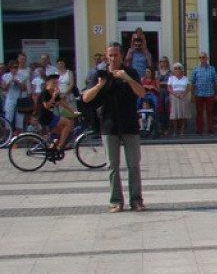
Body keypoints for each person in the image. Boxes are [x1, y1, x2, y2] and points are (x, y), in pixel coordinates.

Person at [81, 43, 147, 212]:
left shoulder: (130, 72)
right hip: (109, 125)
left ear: (122, 55)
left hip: (129, 124)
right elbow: (86, 98)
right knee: (112, 166)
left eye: (115, 55)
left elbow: (142, 93)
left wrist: (127, 78)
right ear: (106, 56)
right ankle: (116, 201)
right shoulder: (100, 74)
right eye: (110, 55)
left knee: (133, 164)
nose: (112, 58)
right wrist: (99, 85)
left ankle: (136, 200)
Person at [37, 74, 75, 150]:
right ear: (48, 84)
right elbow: (46, 106)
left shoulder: (53, 92)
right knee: (68, 123)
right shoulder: (45, 93)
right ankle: (60, 146)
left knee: (61, 133)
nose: (56, 85)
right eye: (53, 83)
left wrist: (73, 111)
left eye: (56, 83)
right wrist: (54, 96)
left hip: (50, 116)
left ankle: (52, 149)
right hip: (45, 117)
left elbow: (62, 103)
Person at [190, 52, 217, 135]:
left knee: (210, 112)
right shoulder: (195, 69)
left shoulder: (212, 69)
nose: (202, 59)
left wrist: (216, 94)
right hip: (198, 93)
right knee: (199, 112)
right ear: (199, 59)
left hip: (209, 93)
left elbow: (215, 81)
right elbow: (192, 82)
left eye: (204, 57)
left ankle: (210, 128)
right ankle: (199, 129)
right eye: (200, 57)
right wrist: (192, 94)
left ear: (207, 58)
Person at [167, 63, 190, 136]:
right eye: (176, 68)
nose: (177, 70)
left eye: (179, 68)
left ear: (182, 70)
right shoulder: (171, 78)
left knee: (183, 115)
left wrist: (184, 94)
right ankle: (175, 131)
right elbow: (169, 88)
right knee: (175, 115)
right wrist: (174, 94)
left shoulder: (185, 78)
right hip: (174, 96)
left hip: (183, 96)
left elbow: (188, 88)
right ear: (173, 70)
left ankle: (182, 131)